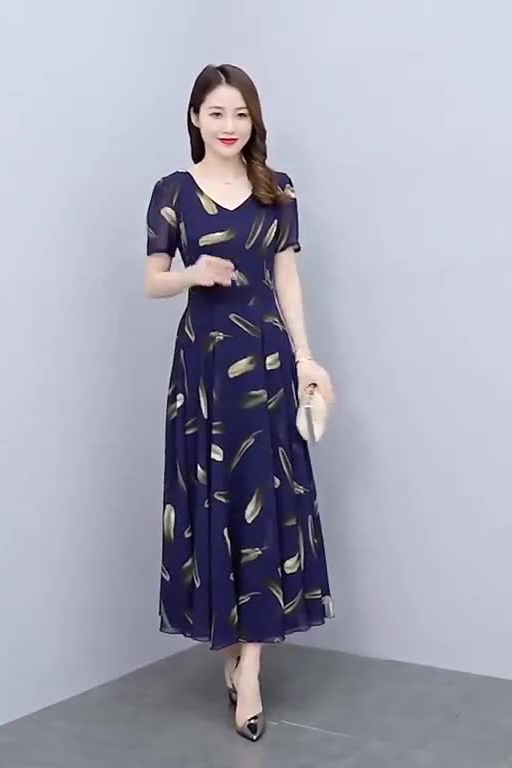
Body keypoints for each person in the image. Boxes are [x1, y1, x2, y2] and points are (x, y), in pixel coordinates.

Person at [144, 63, 335, 742]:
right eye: (217, 113)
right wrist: (192, 274)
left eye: (241, 114)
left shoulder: (276, 191)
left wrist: (306, 358)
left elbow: (288, 279)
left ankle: (249, 668)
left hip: (266, 365)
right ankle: (230, 650)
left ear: (254, 121)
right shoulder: (172, 192)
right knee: (210, 503)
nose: (229, 126)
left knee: (262, 502)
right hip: (203, 370)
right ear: (195, 117)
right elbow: (153, 281)